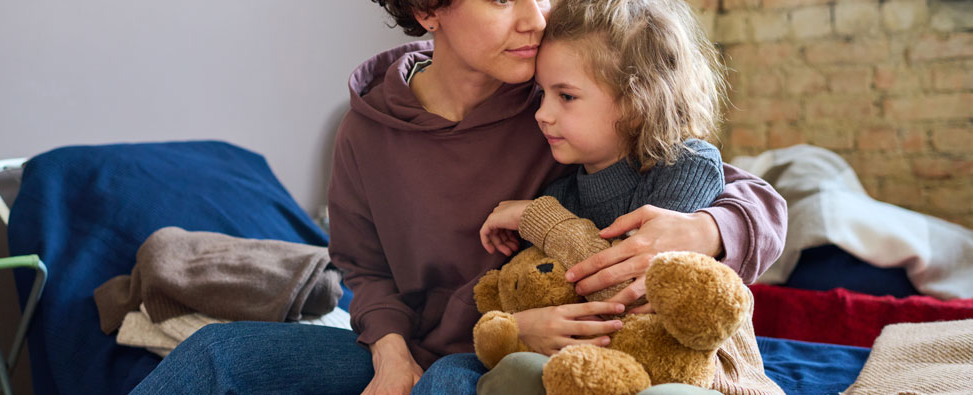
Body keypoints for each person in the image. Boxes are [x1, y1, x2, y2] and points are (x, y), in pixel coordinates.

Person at [129, 1, 786, 394]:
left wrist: (706, 229)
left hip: (512, 349)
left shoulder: (557, 97)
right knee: (218, 353)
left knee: (450, 383)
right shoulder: (367, 130)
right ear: (429, 11)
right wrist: (387, 348)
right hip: (424, 342)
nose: (535, 17)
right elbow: (364, 267)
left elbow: (729, 183)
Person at [474, 0, 783, 393]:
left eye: (565, 96)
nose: (542, 113)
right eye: (543, 94)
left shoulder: (687, 165)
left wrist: (542, 220)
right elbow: (543, 291)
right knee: (514, 371)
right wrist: (520, 326)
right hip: (598, 367)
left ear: (637, 103)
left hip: (701, 375)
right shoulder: (560, 192)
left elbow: (637, 291)